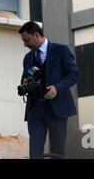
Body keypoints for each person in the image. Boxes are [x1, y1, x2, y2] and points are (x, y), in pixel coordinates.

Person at [18, 21, 79, 159]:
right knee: (35, 153)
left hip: (57, 109)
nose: (25, 44)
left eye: (27, 40)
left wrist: (57, 88)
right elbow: (23, 78)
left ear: (37, 35)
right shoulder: (27, 58)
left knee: (57, 152)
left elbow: (74, 74)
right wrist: (25, 81)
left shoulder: (61, 50)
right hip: (35, 110)